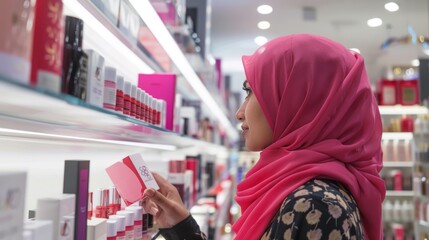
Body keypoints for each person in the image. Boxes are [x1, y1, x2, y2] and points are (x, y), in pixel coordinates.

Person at [142, 34, 386, 240]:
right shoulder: (302, 190)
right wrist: (180, 225)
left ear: (298, 100)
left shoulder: (314, 205)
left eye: (250, 92)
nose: (239, 113)